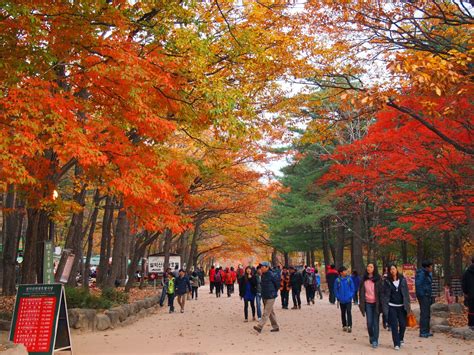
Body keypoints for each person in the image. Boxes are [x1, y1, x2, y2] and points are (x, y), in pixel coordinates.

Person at [381, 263, 411, 350]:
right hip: (391, 306)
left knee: (403, 324)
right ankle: (396, 343)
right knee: (394, 325)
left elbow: (406, 294)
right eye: (390, 269)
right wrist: (384, 306)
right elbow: (384, 294)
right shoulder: (386, 281)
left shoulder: (402, 280)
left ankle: (401, 338)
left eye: (393, 268)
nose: (392, 271)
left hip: (402, 306)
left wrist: (408, 306)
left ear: (397, 269)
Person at [359, 262, 383, 348]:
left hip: (376, 303)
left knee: (375, 323)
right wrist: (360, 302)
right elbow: (360, 291)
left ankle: (375, 340)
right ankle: (372, 336)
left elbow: (381, 292)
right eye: (368, 266)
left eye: (371, 267)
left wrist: (382, 304)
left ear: (374, 269)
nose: (369, 268)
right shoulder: (364, 279)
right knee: (369, 323)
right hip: (367, 303)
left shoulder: (378, 279)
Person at [254, 261, 280, 333]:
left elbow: (277, 285)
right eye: (261, 267)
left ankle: (259, 326)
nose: (261, 268)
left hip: (271, 296)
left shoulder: (272, 274)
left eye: (263, 266)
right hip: (264, 295)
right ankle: (276, 327)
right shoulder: (263, 275)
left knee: (266, 312)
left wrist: (273, 292)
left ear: (267, 267)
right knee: (270, 312)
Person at [415, 260, 434, 338]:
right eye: (431, 266)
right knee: (424, 314)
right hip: (424, 296)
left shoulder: (427, 274)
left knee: (427, 313)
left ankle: (426, 330)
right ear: (427, 267)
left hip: (427, 295)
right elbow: (418, 285)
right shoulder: (421, 274)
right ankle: (423, 331)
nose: (431, 268)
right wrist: (423, 294)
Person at [334, 266, 355, 333]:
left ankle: (350, 325)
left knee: (349, 311)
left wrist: (350, 296)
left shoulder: (349, 279)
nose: (346, 272)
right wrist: (338, 296)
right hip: (341, 299)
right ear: (341, 273)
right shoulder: (337, 280)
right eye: (344, 271)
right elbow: (335, 289)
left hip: (348, 299)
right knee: (343, 312)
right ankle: (344, 325)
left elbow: (352, 288)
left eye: (346, 271)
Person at [461, 256, 474, 330]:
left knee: (471, 309)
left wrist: (465, 292)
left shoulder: (467, 272)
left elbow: (464, 283)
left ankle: (471, 324)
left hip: (470, 294)